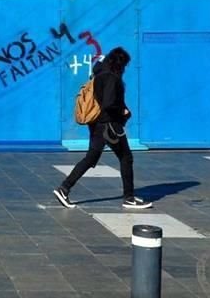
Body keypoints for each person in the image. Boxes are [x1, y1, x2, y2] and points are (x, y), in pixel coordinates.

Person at [53, 48, 152, 209]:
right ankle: (129, 198)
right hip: (109, 125)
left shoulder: (98, 75)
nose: (125, 68)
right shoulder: (112, 78)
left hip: (97, 124)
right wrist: (122, 111)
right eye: (125, 64)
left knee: (91, 158)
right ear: (119, 64)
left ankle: (64, 188)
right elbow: (108, 103)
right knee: (126, 157)